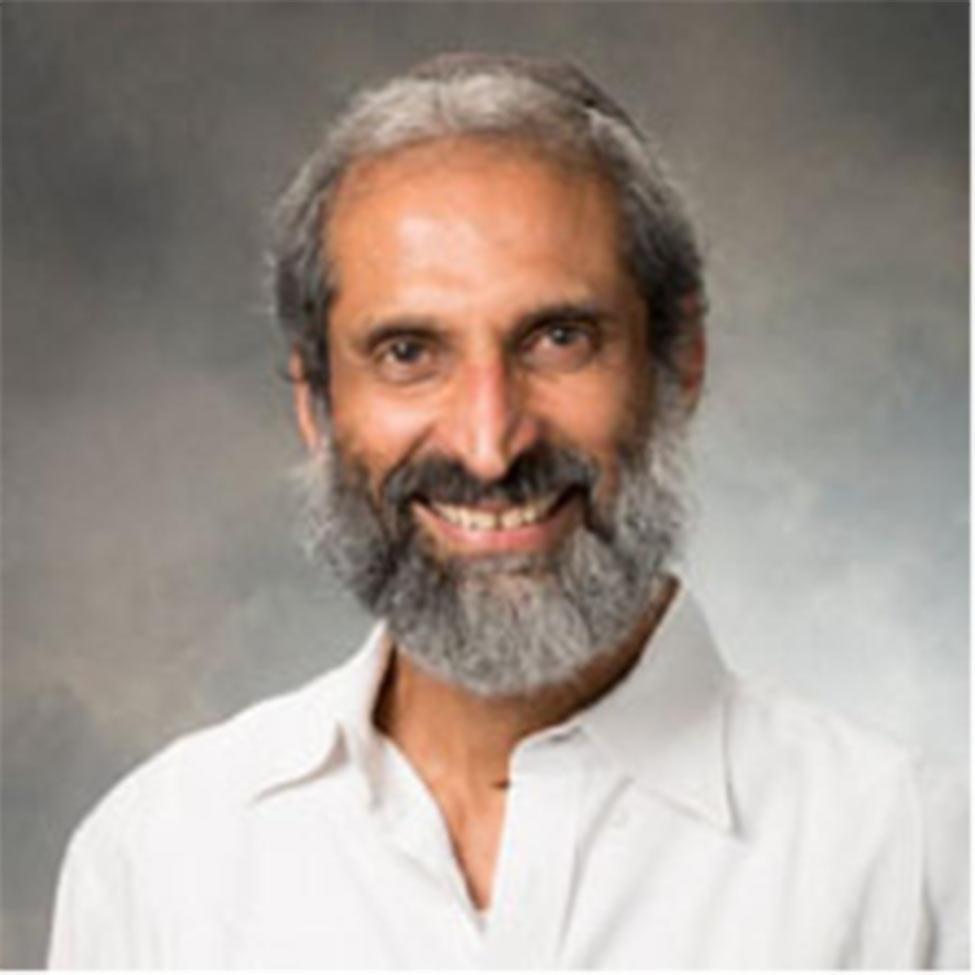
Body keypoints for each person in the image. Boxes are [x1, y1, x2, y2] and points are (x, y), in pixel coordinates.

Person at [47, 53, 966, 969]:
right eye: (409, 352)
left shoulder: (917, 864)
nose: (490, 445)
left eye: (558, 338)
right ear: (315, 404)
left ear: (677, 360)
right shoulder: (154, 862)